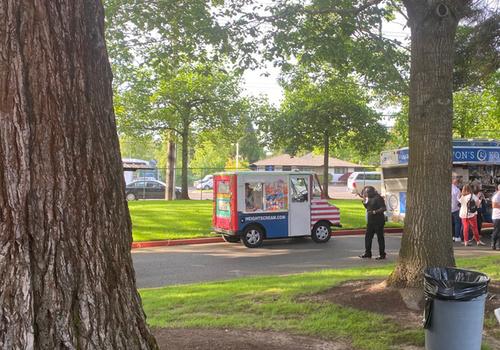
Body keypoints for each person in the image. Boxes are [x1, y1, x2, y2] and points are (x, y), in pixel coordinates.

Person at [359, 186, 387, 259]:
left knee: (380, 237)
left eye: (368, 192)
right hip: (371, 221)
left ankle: (382, 254)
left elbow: (383, 208)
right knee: (368, 237)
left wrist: (374, 212)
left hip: (378, 221)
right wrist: (364, 203)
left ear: (373, 191)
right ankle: (368, 252)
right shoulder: (369, 198)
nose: (367, 194)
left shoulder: (378, 198)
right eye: (366, 192)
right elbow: (368, 207)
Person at [491, 184, 500, 250]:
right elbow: (494, 205)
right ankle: (493, 242)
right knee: (496, 230)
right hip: (497, 216)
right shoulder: (496, 196)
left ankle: (499, 245)